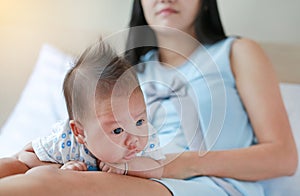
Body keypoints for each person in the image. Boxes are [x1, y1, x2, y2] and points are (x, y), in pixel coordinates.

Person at [0, 0, 297, 195]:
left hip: (207, 184)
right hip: (131, 173)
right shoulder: (129, 74)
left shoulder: (235, 52)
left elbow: (284, 158)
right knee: (27, 166)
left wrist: (184, 163)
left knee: (56, 185)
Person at [0, 40, 164, 179]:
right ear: (80, 133)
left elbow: (157, 168)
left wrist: (127, 166)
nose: (133, 139)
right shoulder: (67, 143)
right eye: (118, 130)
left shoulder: (143, 136)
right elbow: (26, 154)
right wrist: (59, 167)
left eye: (140, 120)